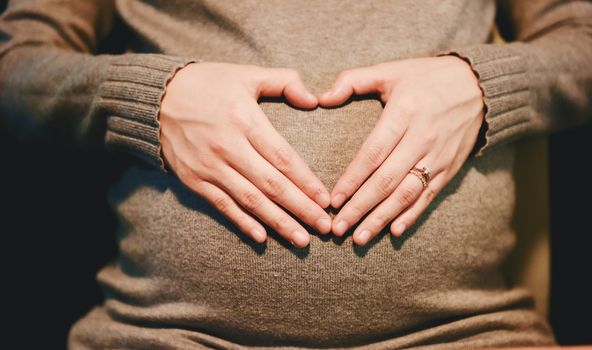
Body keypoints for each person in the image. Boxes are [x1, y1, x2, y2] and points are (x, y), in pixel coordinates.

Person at [0, 0, 590, 348]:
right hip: (165, 335)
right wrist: (148, 98)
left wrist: (484, 85)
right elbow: (16, 65)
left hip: (465, 334)